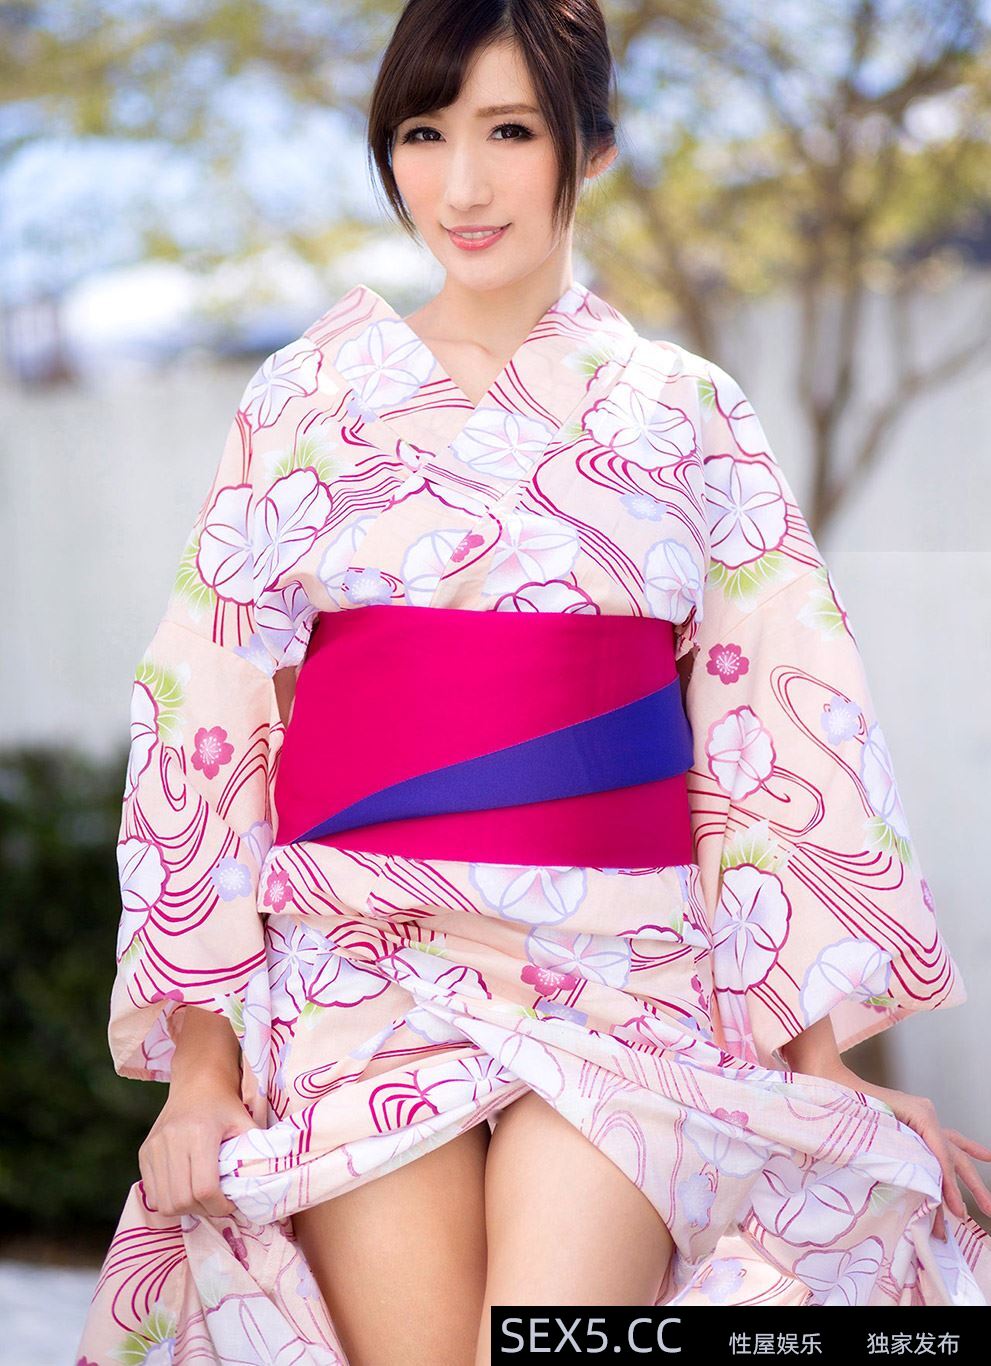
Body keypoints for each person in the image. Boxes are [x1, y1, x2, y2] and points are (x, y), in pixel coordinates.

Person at [76, 1, 991, 1362]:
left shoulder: (686, 412)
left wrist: (818, 1065)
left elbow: (774, 716)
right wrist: (203, 1072)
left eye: (509, 131)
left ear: (592, 148)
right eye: (424, 133)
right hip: (364, 961)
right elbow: (203, 723)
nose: (461, 184)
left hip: (622, 975)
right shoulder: (304, 401)